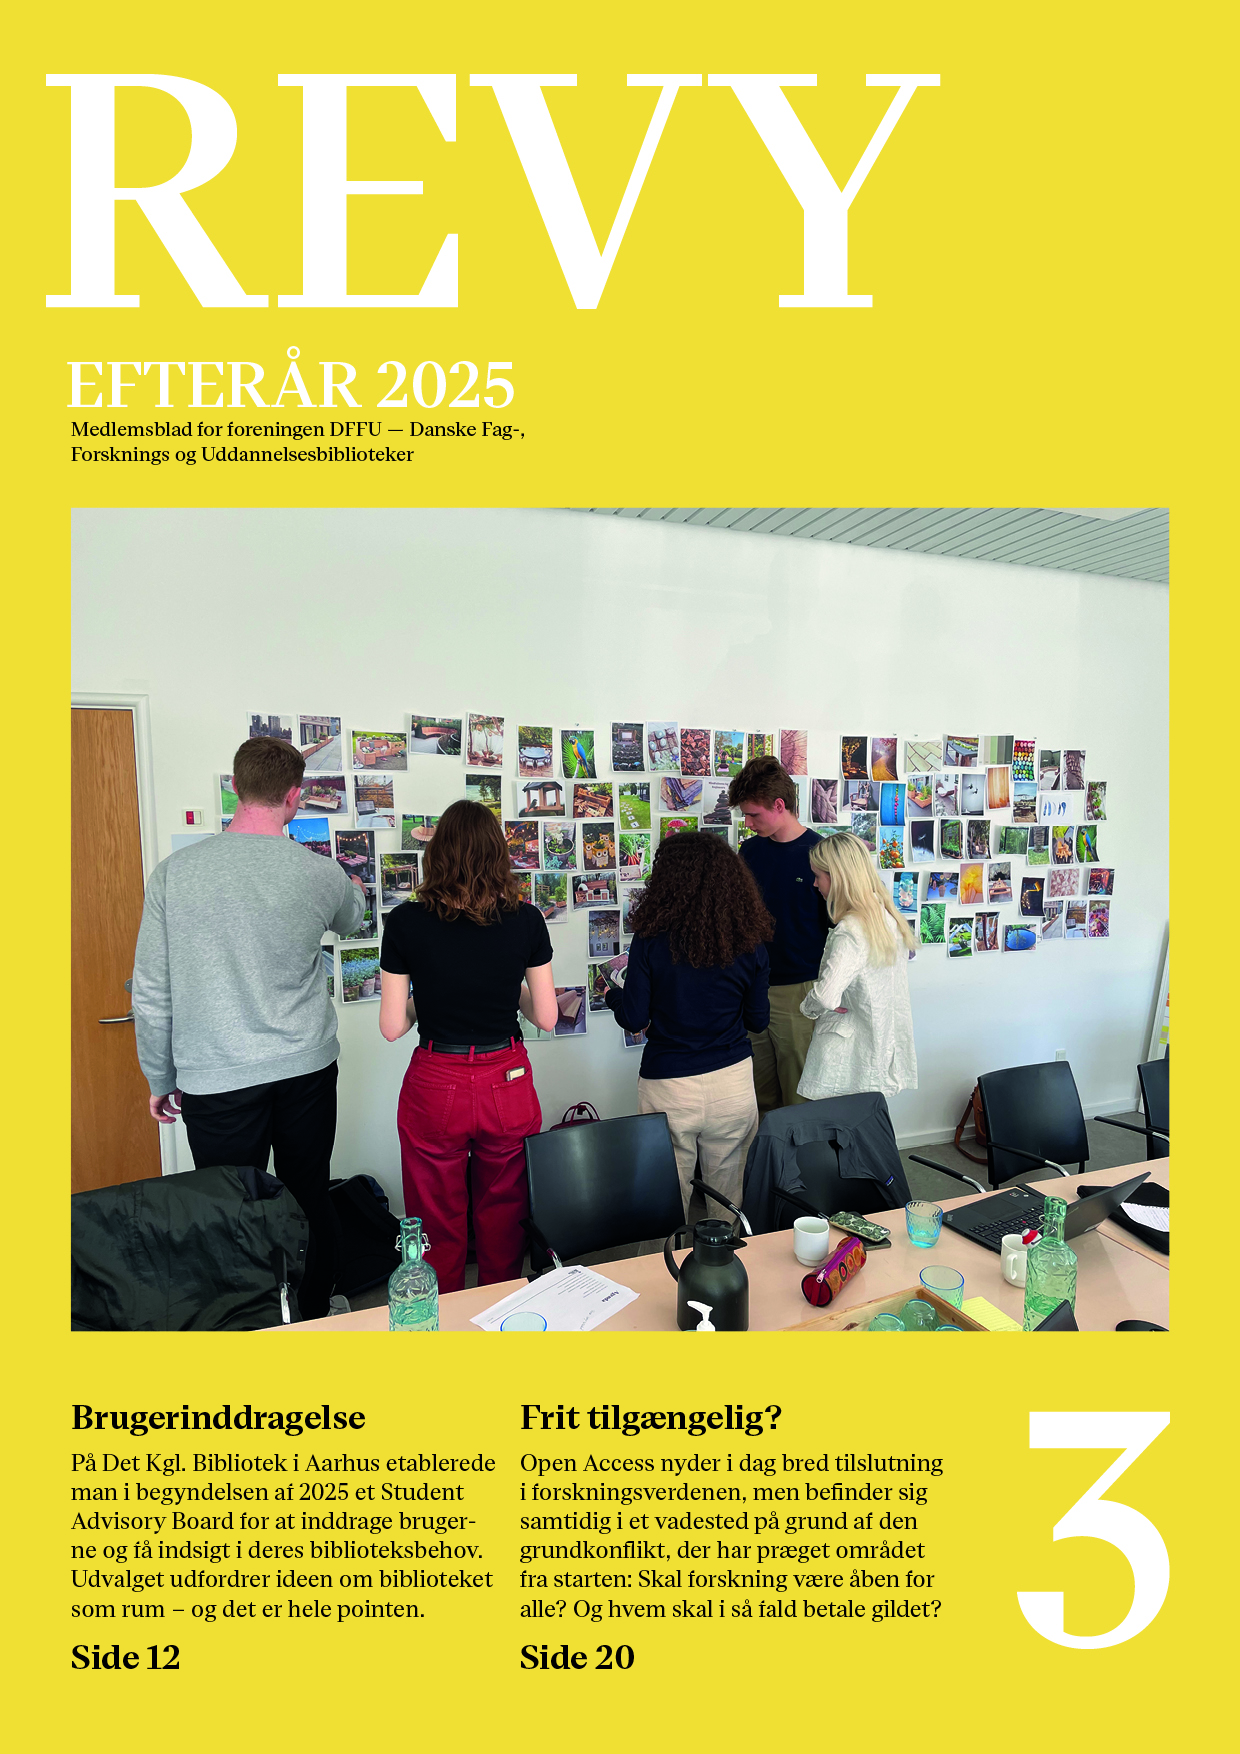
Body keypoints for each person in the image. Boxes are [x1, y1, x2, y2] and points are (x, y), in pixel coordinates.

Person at [131, 736, 366, 1318]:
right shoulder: (320, 873)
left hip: (215, 1075)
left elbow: (153, 990)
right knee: (308, 1193)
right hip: (305, 1068)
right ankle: (314, 1315)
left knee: (228, 1208)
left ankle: (244, 1325)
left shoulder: (174, 874)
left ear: (235, 787)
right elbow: (353, 919)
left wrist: (159, 1077)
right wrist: (354, 890)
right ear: (295, 797)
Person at [378, 800, 558, 1292]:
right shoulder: (526, 919)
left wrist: (431, 996)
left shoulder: (405, 922)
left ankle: (445, 1315)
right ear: (498, 853)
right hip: (507, 1078)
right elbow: (546, 1016)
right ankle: (500, 1311)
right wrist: (503, 987)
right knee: (505, 1213)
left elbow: (392, 1026)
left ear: (436, 854)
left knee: (435, 1216)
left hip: (436, 1079)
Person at [604, 832, 772, 1216]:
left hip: (668, 1085)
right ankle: (728, 1253)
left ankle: (666, 1257)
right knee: (729, 1202)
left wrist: (613, 995)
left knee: (664, 1200)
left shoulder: (650, 939)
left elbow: (634, 1018)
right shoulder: (750, 943)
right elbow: (757, 1021)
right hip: (732, 1083)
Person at [727, 755, 829, 1115]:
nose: (747, 822)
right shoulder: (750, 850)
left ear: (779, 805)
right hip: (751, 987)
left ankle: (801, 1156)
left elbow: (842, 926)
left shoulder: (820, 854)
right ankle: (766, 1154)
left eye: (753, 815)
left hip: (800, 990)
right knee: (756, 1094)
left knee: (799, 1095)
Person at [797, 831, 918, 1101]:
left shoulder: (850, 930)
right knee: (865, 1118)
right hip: (877, 1042)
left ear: (838, 877)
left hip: (845, 1054)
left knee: (836, 1121)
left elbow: (825, 997)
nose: (814, 884)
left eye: (818, 876)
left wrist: (807, 1007)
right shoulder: (887, 918)